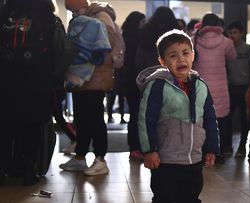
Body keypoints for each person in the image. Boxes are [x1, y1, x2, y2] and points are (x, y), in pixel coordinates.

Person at [136, 29, 219, 203]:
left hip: (194, 158)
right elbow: (145, 119)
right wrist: (150, 150)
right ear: (162, 61)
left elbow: (210, 119)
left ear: (193, 56)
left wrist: (211, 148)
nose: (181, 59)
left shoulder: (201, 86)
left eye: (185, 53)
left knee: (191, 196)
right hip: (166, 159)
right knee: (164, 197)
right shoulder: (158, 85)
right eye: (173, 55)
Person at [0, 0, 68, 185]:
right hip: (37, 83)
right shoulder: (49, 19)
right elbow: (61, 52)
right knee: (32, 126)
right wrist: (55, 80)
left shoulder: (4, 14)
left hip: (5, 83)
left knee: (5, 127)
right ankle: (29, 169)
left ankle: (3, 168)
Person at [59, 0, 117, 176]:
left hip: (96, 77)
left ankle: (100, 159)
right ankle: (80, 157)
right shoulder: (83, 17)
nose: (74, 13)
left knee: (95, 119)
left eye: (73, 9)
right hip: (79, 77)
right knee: (82, 119)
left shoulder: (101, 16)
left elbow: (107, 42)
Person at [192, 13, 237, 163]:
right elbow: (233, 58)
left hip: (200, 87)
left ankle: (203, 152)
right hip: (220, 88)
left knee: (202, 121)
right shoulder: (226, 41)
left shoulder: (194, 40)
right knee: (221, 121)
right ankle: (218, 153)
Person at [226, 20, 250, 157]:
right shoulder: (226, 49)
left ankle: (242, 146)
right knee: (228, 118)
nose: (232, 35)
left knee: (245, 119)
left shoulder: (248, 48)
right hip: (231, 87)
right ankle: (227, 146)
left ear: (241, 33)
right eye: (230, 33)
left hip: (245, 87)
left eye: (235, 32)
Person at [122, 11, 146, 160]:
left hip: (128, 81)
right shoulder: (138, 39)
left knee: (134, 114)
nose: (144, 25)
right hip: (136, 81)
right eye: (142, 22)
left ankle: (134, 147)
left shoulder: (124, 37)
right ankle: (137, 146)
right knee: (138, 114)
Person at [136, 6, 178, 73]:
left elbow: (141, 54)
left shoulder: (147, 31)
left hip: (150, 67)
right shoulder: (175, 32)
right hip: (170, 67)